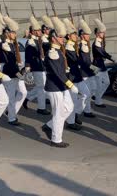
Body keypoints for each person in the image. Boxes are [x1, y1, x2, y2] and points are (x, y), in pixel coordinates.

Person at [41, 17, 77, 148]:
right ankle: (56, 139)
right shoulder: (52, 52)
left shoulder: (58, 51)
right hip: (55, 87)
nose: (63, 39)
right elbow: (57, 73)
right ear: (54, 38)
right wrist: (70, 84)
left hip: (61, 85)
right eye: (61, 37)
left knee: (69, 108)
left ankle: (49, 126)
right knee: (58, 113)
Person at [62, 18, 91, 130]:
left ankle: (76, 113)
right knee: (73, 99)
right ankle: (70, 121)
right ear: (69, 36)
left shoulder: (75, 45)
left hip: (77, 75)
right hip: (72, 77)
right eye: (74, 34)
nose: (76, 36)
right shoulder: (68, 47)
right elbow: (77, 60)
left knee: (86, 94)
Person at [0, 15, 27, 126]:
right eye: (13, 32)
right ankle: (11, 118)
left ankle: (11, 111)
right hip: (10, 73)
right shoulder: (5, 45)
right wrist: (18, 73)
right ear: (7, 33)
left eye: (15, 32)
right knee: (10, 96)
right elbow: (9, 62)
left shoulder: (12, 44)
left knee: (23, 92)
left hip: (16, 72)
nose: (15, 34)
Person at [23, 15, 50, 115]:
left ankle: (27, 98)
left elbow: (47, 46)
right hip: (37, 67)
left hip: (43, 66)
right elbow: (28, 54)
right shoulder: (31, 41)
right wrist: (28, 65)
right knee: (41, 87)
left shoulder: (40, 40)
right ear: (33, 31)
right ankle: (41, 107)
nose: (40, 31)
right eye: (38, 30)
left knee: (41, 86)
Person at [77, 18, 99, 118]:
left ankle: (86, 110)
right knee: (86, 94)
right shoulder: (82, 45)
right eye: (86, 34)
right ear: (82, 35)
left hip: (88, 71)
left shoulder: (85, 44)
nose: (88, 36)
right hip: (84, 72)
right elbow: (85, 61)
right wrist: (94, 68)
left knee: (92, 90)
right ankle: (81, 111)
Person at [92, 18, 114, 109]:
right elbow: (102, 52)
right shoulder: (97, 43)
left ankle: (97, 96)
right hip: (97, 66)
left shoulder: (100, 42)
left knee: (106, 83)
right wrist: (112, 58)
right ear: (97, 34)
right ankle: (97, 100)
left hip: (101, 65)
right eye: (102, 33)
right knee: (98, 84)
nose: (103, 34)